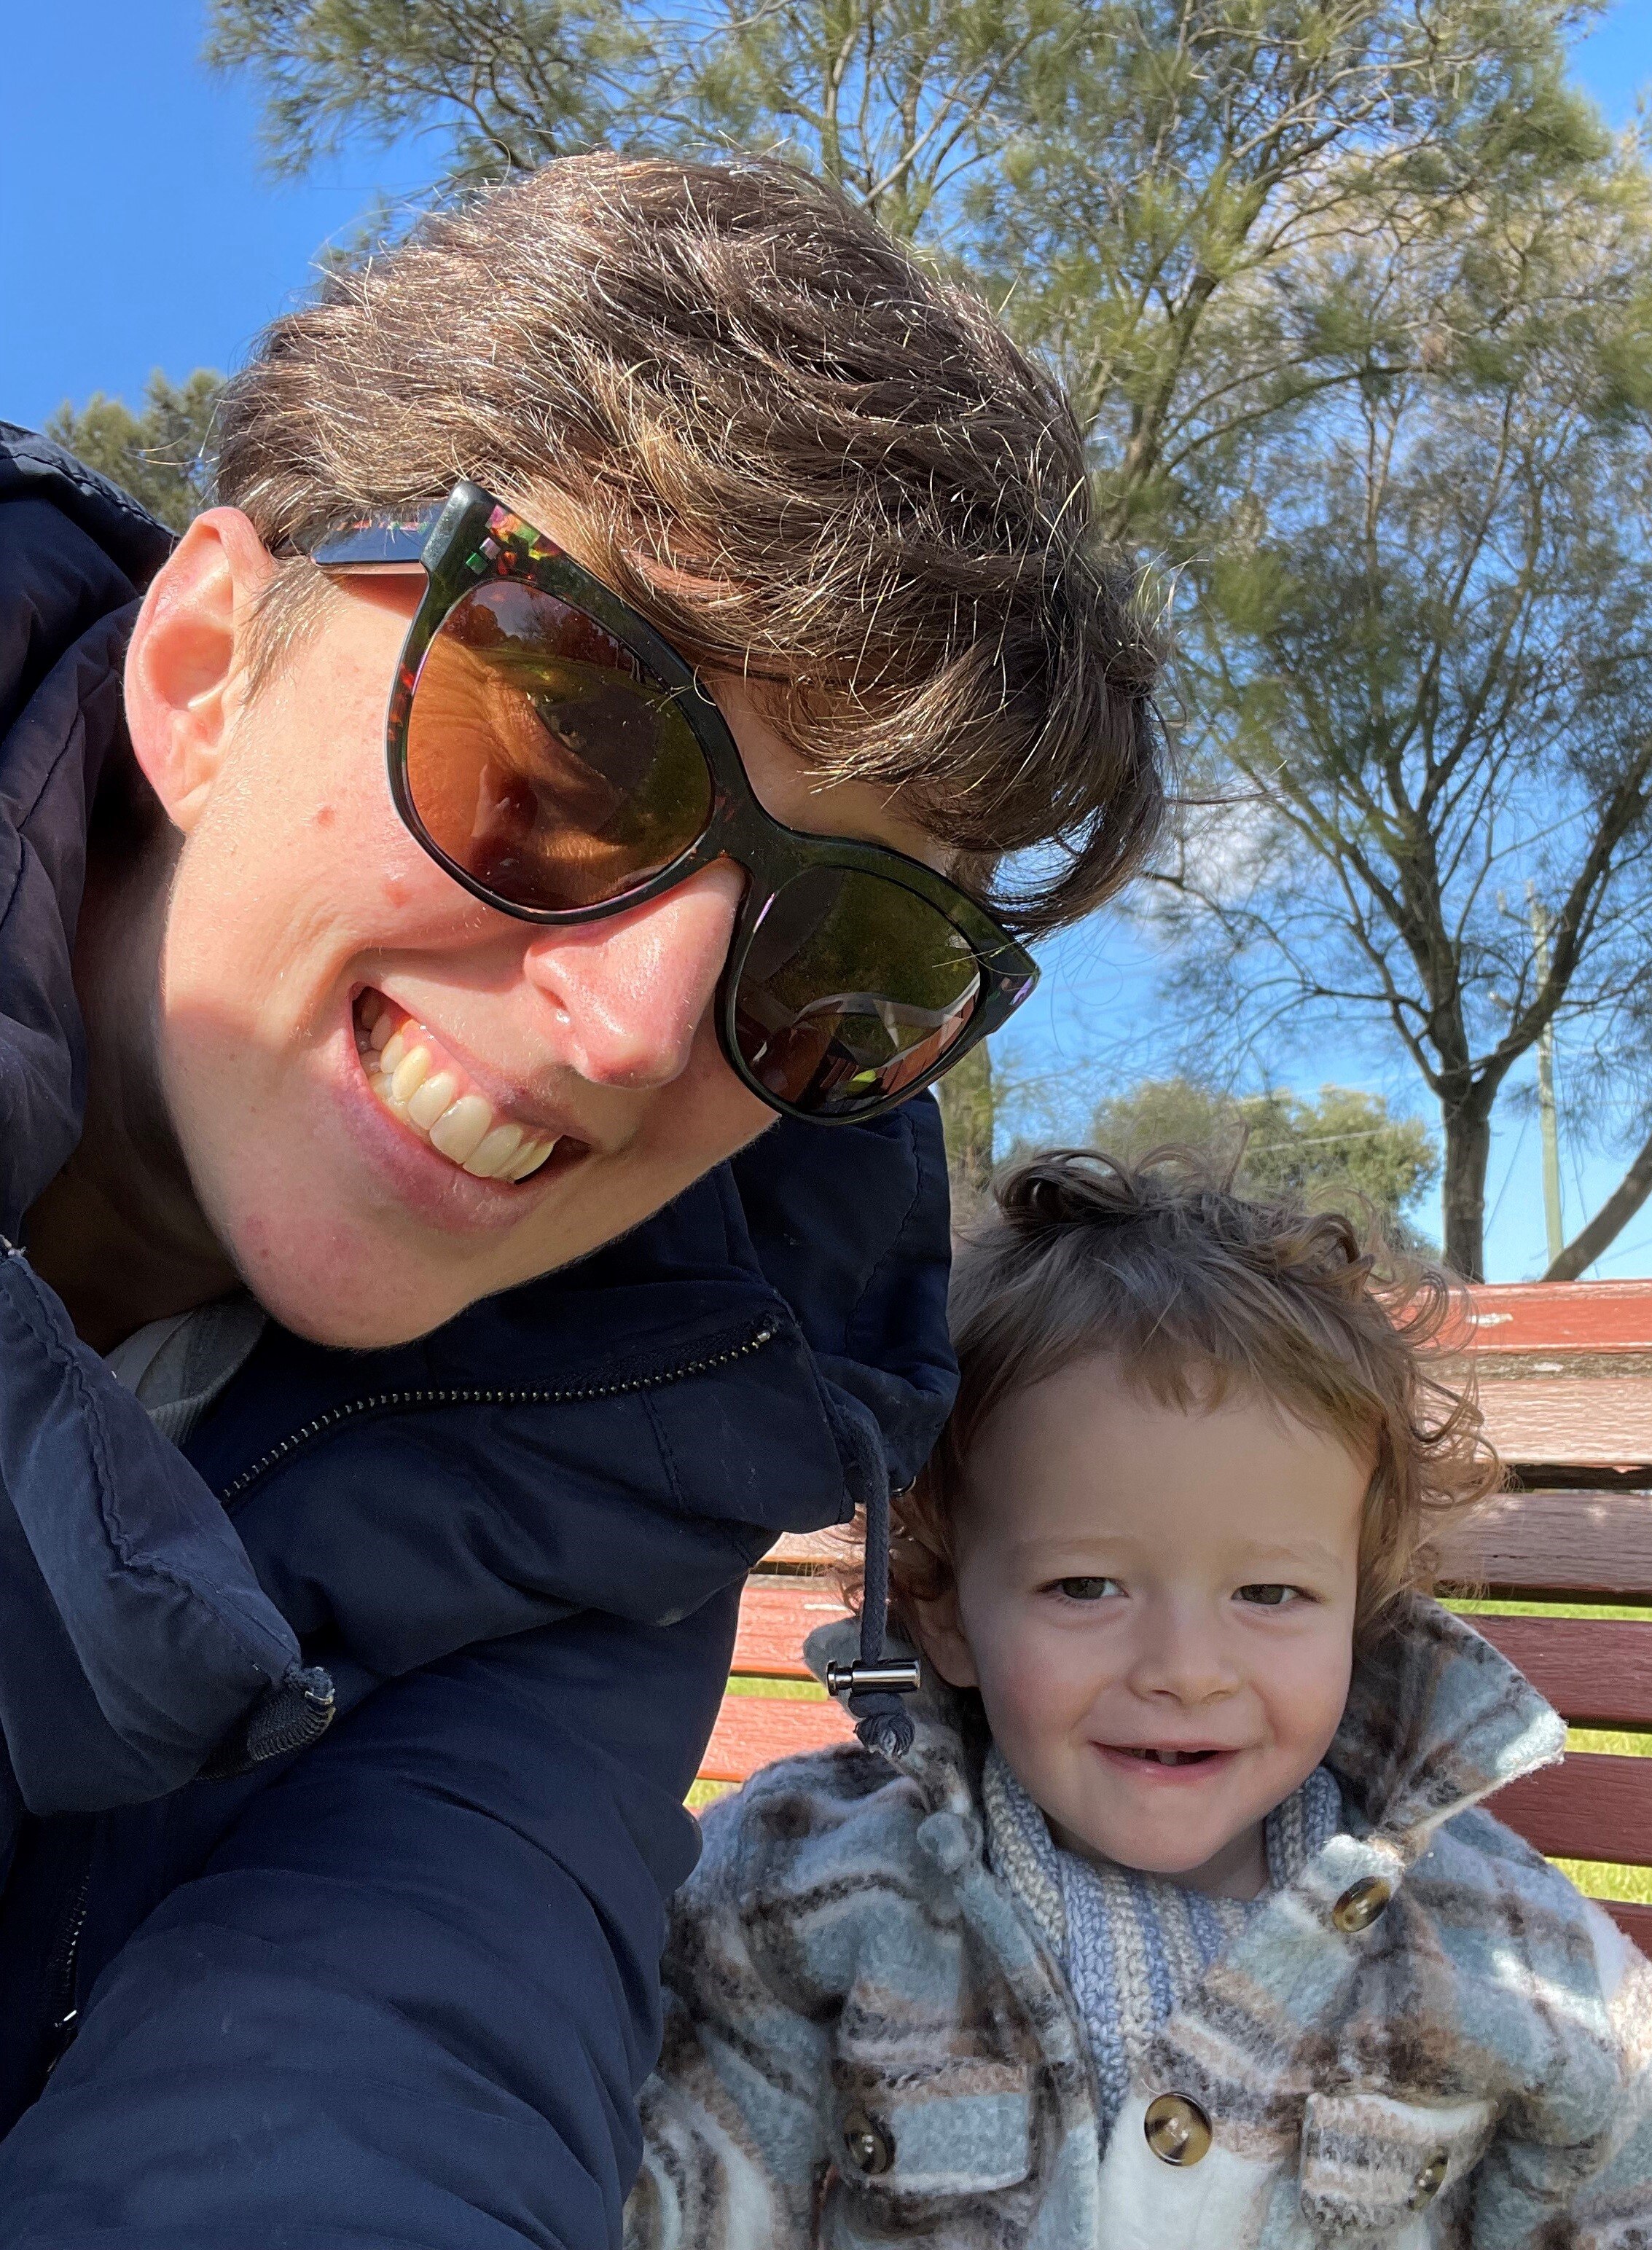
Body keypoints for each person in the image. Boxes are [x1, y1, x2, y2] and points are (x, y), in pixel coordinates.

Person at [0, 153, 1167, 2243]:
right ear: (200, 671)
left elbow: (397, 2032)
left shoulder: (627, 1451)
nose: (638, 1031)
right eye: (563, 751)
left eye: (840, 959)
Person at [630, 1150, 1652, 2249]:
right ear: (944, 1610)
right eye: (1085, 1586)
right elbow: (693, 2178)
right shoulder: (812, 1878)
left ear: (1357, 1621)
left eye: (1271, 1593)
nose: (1187, 1667)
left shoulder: (1480, 1933)